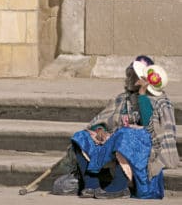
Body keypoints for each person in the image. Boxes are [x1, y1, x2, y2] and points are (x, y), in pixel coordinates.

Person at [70, 55, 179, 199]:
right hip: (117, 144)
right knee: (81, 137)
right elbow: (102, 120)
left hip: (144, 151)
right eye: (129, 74)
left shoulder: (161, 102)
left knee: (125, 134)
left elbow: (151, 129)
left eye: (134, 75)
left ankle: (118, 187)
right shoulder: (123, 99)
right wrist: (99, 130)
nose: (130, 78)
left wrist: (142, 95)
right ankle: (91, 185)